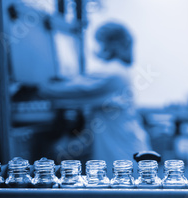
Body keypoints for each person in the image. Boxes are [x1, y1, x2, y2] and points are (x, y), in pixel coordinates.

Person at [38, 22, 152, 164]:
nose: (97, 49)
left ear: (112, 44)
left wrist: (36, 82)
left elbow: (67, 91)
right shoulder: (119, 71)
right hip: (128, 150)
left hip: (123, 156)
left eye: (99, 42)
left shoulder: (112, 73)